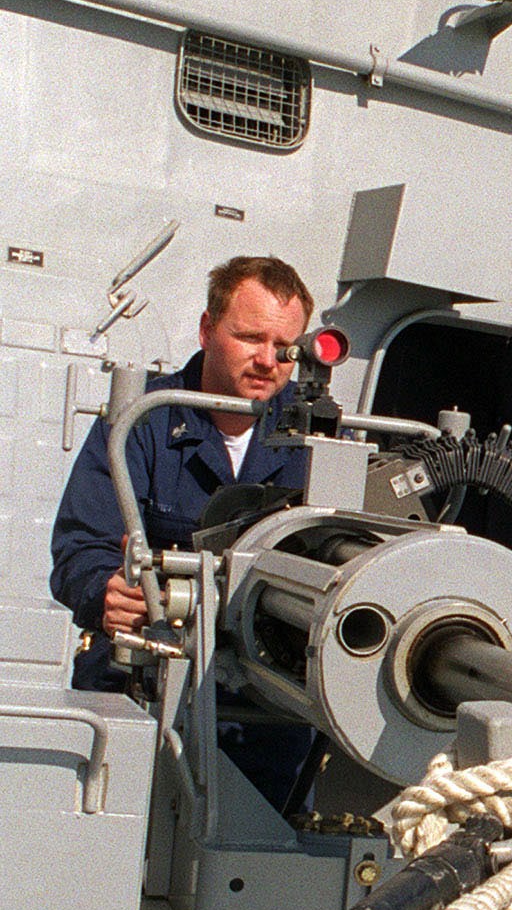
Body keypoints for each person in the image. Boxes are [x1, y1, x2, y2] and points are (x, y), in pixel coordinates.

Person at [51, 255, 315, 691]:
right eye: (250, 338)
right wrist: (105, 593)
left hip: (268, 699)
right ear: (207, 330)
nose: (268, 360)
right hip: (143, 676)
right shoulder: (143, 421)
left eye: (285, 347)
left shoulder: (319, 442)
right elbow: (81, 547)